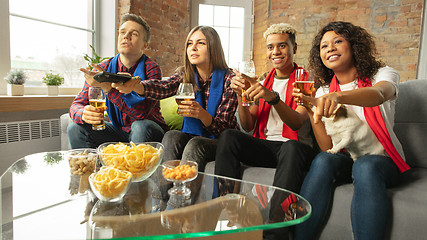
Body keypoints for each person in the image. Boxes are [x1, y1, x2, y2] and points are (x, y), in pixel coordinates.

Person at [293, 21, 411, 240]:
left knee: (365, 166)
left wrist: (339, 97)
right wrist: (313, 110)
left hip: (383, 159)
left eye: (338, 41)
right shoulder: (324, 90)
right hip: (348, 158)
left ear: (354, 45)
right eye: (324, 46)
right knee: (322, 160)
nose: (330, 48)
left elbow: (378, 94)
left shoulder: (383, 74)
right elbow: (329, 147)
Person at [214, 23, 316, 239]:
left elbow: (297, 122)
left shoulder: (305, 80)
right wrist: (241, 96)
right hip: (268, 148)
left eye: (282, 46)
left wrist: (272, 98)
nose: (275, 52)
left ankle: (277, 231)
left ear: (294, 48)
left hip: (295, 149)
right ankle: (226, 211)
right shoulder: (262, 81)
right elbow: (248, 125)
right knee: (229, 136)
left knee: (291, 147)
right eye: (270, 47)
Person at [118, 25, 238, 174]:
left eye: (201, 43)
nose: (193, 48)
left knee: (196, 144)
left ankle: (182, 195)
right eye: (189, 43)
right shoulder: (185, 76)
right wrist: (136, 86)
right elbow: (162, 87)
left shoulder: (229, 79)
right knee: (171, 136)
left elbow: (225, 130)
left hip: (223, 142)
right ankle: (160, 194)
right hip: (193, 135)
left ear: (214, 48)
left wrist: (202, 115)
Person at [67, 13, 168, 149]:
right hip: (117, 131)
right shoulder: (103, 68)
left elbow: (141, 113)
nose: (126, 36)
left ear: (145, 45)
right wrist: (83, 113)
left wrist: (108, 89)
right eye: (123, 32)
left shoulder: (151, 68)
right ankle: (92, 168)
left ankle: (137, 169)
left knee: (140, 126)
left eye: (134, 34)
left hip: (148, 131)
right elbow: (76, 105)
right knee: (75, 128)